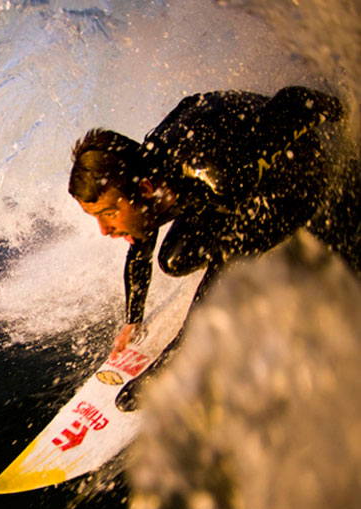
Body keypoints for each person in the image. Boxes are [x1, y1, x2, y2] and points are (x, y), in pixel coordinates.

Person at [68, 86, 351, 411]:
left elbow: (292, 104)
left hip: (297, 178)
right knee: (173, 259)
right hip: (226, 160)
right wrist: (133, 319)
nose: (104, 230)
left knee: (235, 245)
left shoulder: (223, 176)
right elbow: (140, 244)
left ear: (145, 189)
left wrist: (340, 110)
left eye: (108, 214)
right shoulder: (143, 176)